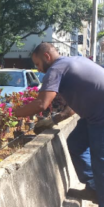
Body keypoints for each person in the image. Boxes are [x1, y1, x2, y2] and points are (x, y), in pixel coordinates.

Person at [12, 42, 104, 206]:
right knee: (76, 143)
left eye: (38, 64)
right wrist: (53, 120)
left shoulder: (56, 69)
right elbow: (71, 109)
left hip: (100, 116)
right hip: (94, 113)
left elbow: (42, 104)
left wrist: (13, 113)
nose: (39, 69)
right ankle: (93, 188)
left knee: (100, 162)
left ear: (47, 56)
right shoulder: (75, 61)